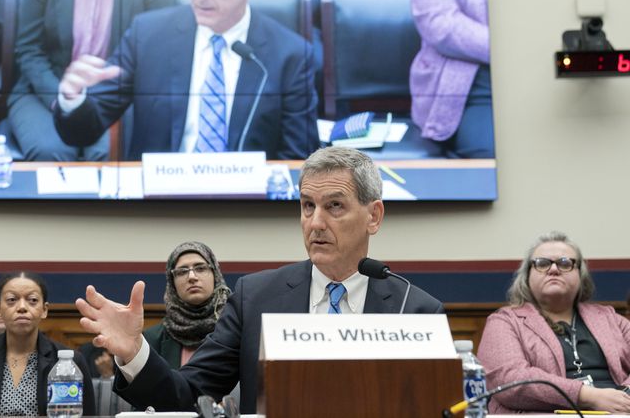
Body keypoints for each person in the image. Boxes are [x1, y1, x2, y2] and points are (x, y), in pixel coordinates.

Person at [75, 147, 443, 413]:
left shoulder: (415, 308)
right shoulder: (256, 297)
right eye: (307, 205)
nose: (315, 222)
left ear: (373, 216)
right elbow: (186, 394)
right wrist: (133, 352)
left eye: (334, 206)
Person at [54, 0, 319, 161]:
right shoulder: (147, 35)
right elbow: (84, 131)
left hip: (245, 203)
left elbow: (297, 159)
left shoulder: (290, 55)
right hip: (159, 204)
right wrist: (72, 99)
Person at [8, 0, 170, 161]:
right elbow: (28, 49)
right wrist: (60, 97)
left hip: (121, 94)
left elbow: (158, 48)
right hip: (47, 89)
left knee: (108, 151)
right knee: (51, 151)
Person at [478, 231, 630, 414]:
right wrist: (588, 397)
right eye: (542, 263)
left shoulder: (609, 318)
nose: (554, 269)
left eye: (565, 263)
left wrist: (624, 396)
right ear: (527, 275)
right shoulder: (504, 322)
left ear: (580, 274)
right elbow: (509, 379)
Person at [0, 271, 96, 416]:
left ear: (44, 310)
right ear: (0, 310)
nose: (22, 307)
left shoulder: (69, 362)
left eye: (32, 300)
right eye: (11, 300)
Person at [409, 0, 494, 159]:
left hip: (536, 74)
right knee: (493, 154)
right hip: (472, 86)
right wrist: (507, 48)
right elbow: (438, 22)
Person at [145, 241, 231, 369]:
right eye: (182, 271)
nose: (192, 277)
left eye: (200, 268)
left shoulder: (235, 328)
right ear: (172, 284)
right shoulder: (152, 339)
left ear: (215, 275)